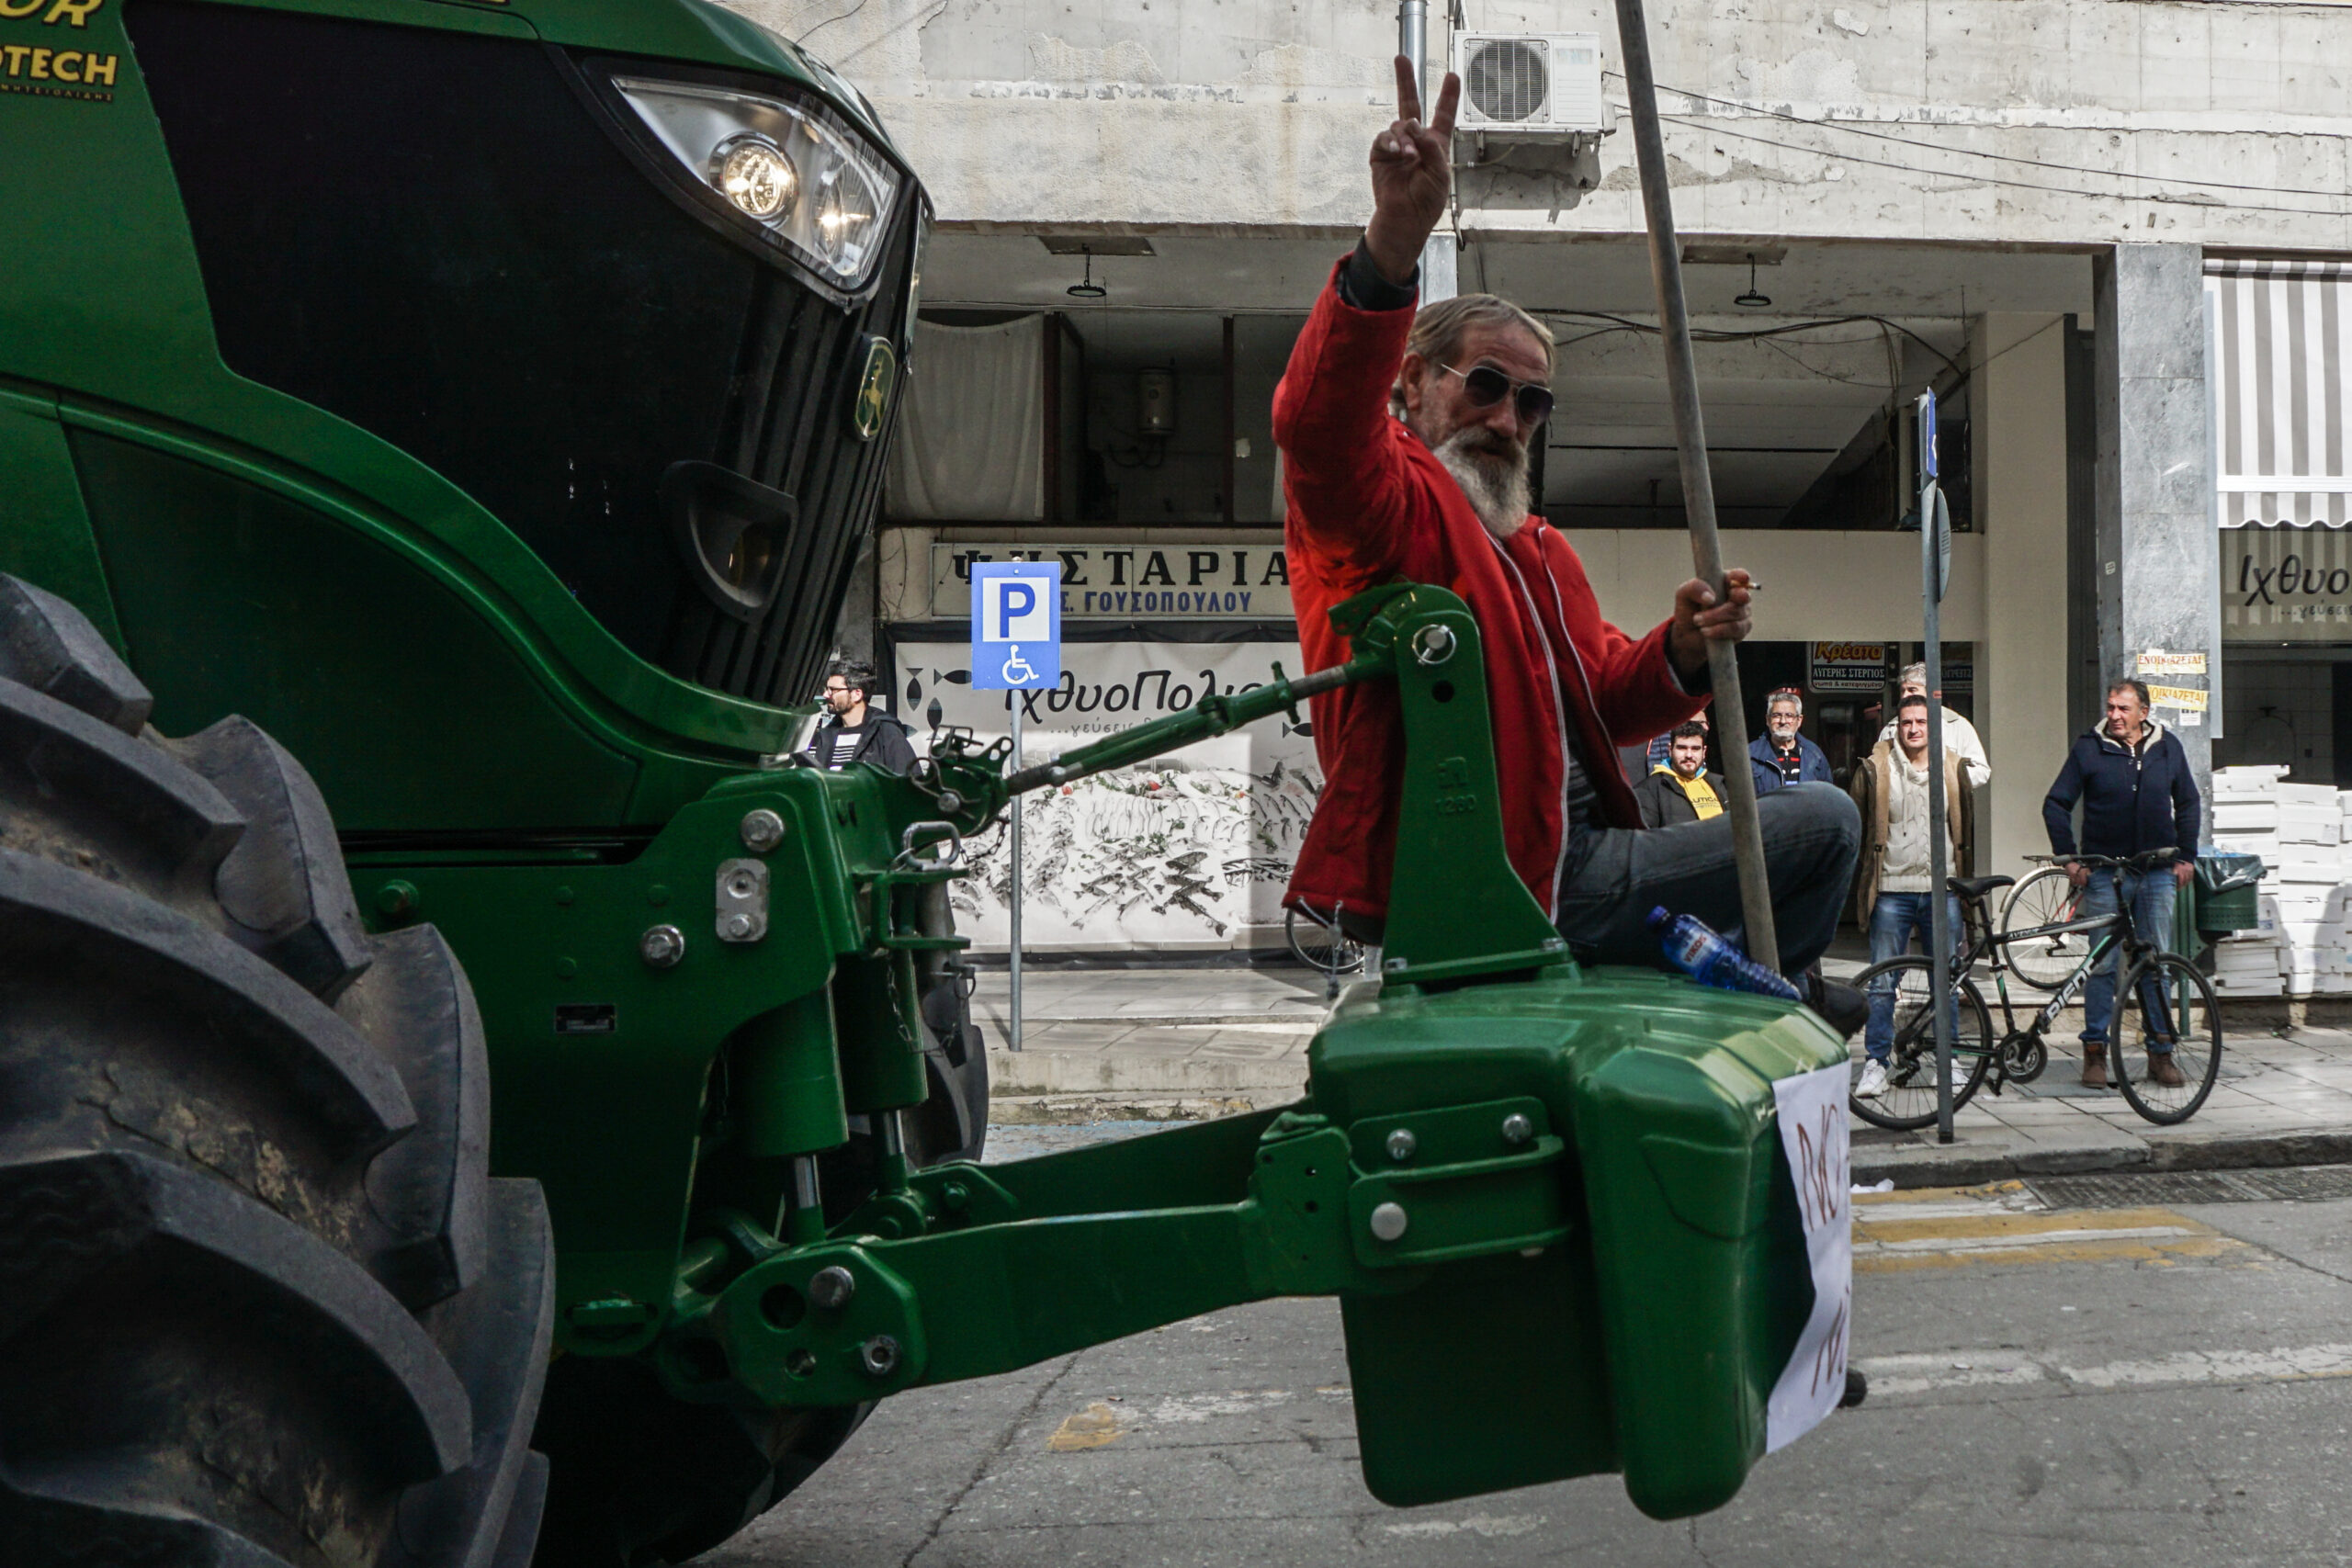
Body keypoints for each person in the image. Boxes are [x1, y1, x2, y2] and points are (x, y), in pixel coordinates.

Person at [1271, 56, 1863, 1021]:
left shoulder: (1539, 552)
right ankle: (1778, 990)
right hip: (1526, 879)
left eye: (1532, 400)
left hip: (1576, 856)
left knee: (1813, 824)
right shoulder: (1388, 506)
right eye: (1486, 386)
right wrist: (1392, 242)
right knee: (1828, 823)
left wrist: (1675, 647)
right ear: (1412, 384)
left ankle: (1771, 987)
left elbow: (1610, 700)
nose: (1508, 418)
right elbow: (1317, 425)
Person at [2042, 679, 2201, 1089]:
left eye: (2123, 709)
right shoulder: (2088, 747)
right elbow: (2056, 803)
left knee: (2155, 965)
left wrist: (2187, 856)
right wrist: (2070, 858)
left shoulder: (2168, 747)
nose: (2113, 715)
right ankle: (2094, 1053)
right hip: (2105, 875)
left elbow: (2188, 801)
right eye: (2110, 707)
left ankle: (2160, 1053)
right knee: (2101, 967)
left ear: (2143, 713)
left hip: (2155, 874)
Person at [1848, 694, 1976, 1100]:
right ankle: (1876, 1064)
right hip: (1892, 891)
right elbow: (1858, 824)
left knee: (1947, 980)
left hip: (1943, 891)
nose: (1915, 728)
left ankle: (1947, 1059)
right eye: (1907, 722)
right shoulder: (1874, 769)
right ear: (1896, 727)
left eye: (1922, 721)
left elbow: (1965, 829)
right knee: (1883, 982)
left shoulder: (1954, 768)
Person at [1877, 662, 1990, 789]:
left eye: (1912, 690)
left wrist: (1945, 780)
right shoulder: (1891, 728)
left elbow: (1981, 771)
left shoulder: (1958, 725)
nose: (1905, 696)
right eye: (1902, 691)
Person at [803, 659, 917, 773]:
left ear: (857, 694)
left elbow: (909, 781)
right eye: (826, 689)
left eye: (833, 690)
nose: (825, 695)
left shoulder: (887, 734)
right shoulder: (826, 736)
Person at [1634, 721, 1726, 828]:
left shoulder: (1720, 785)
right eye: (1682, 748)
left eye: (1695, 749)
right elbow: (1646, 838)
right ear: (1670, 749)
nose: (1689, 755)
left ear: (1704, 752)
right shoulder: (1649, 790)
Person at [1751, 688, 1833, 794]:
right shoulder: (1751, 755)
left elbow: (1827, 796)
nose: (1783, 721)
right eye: (1777, 715)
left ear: (1799, 720)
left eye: (1789, 715)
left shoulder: (1815, 755)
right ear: (1768, 720)